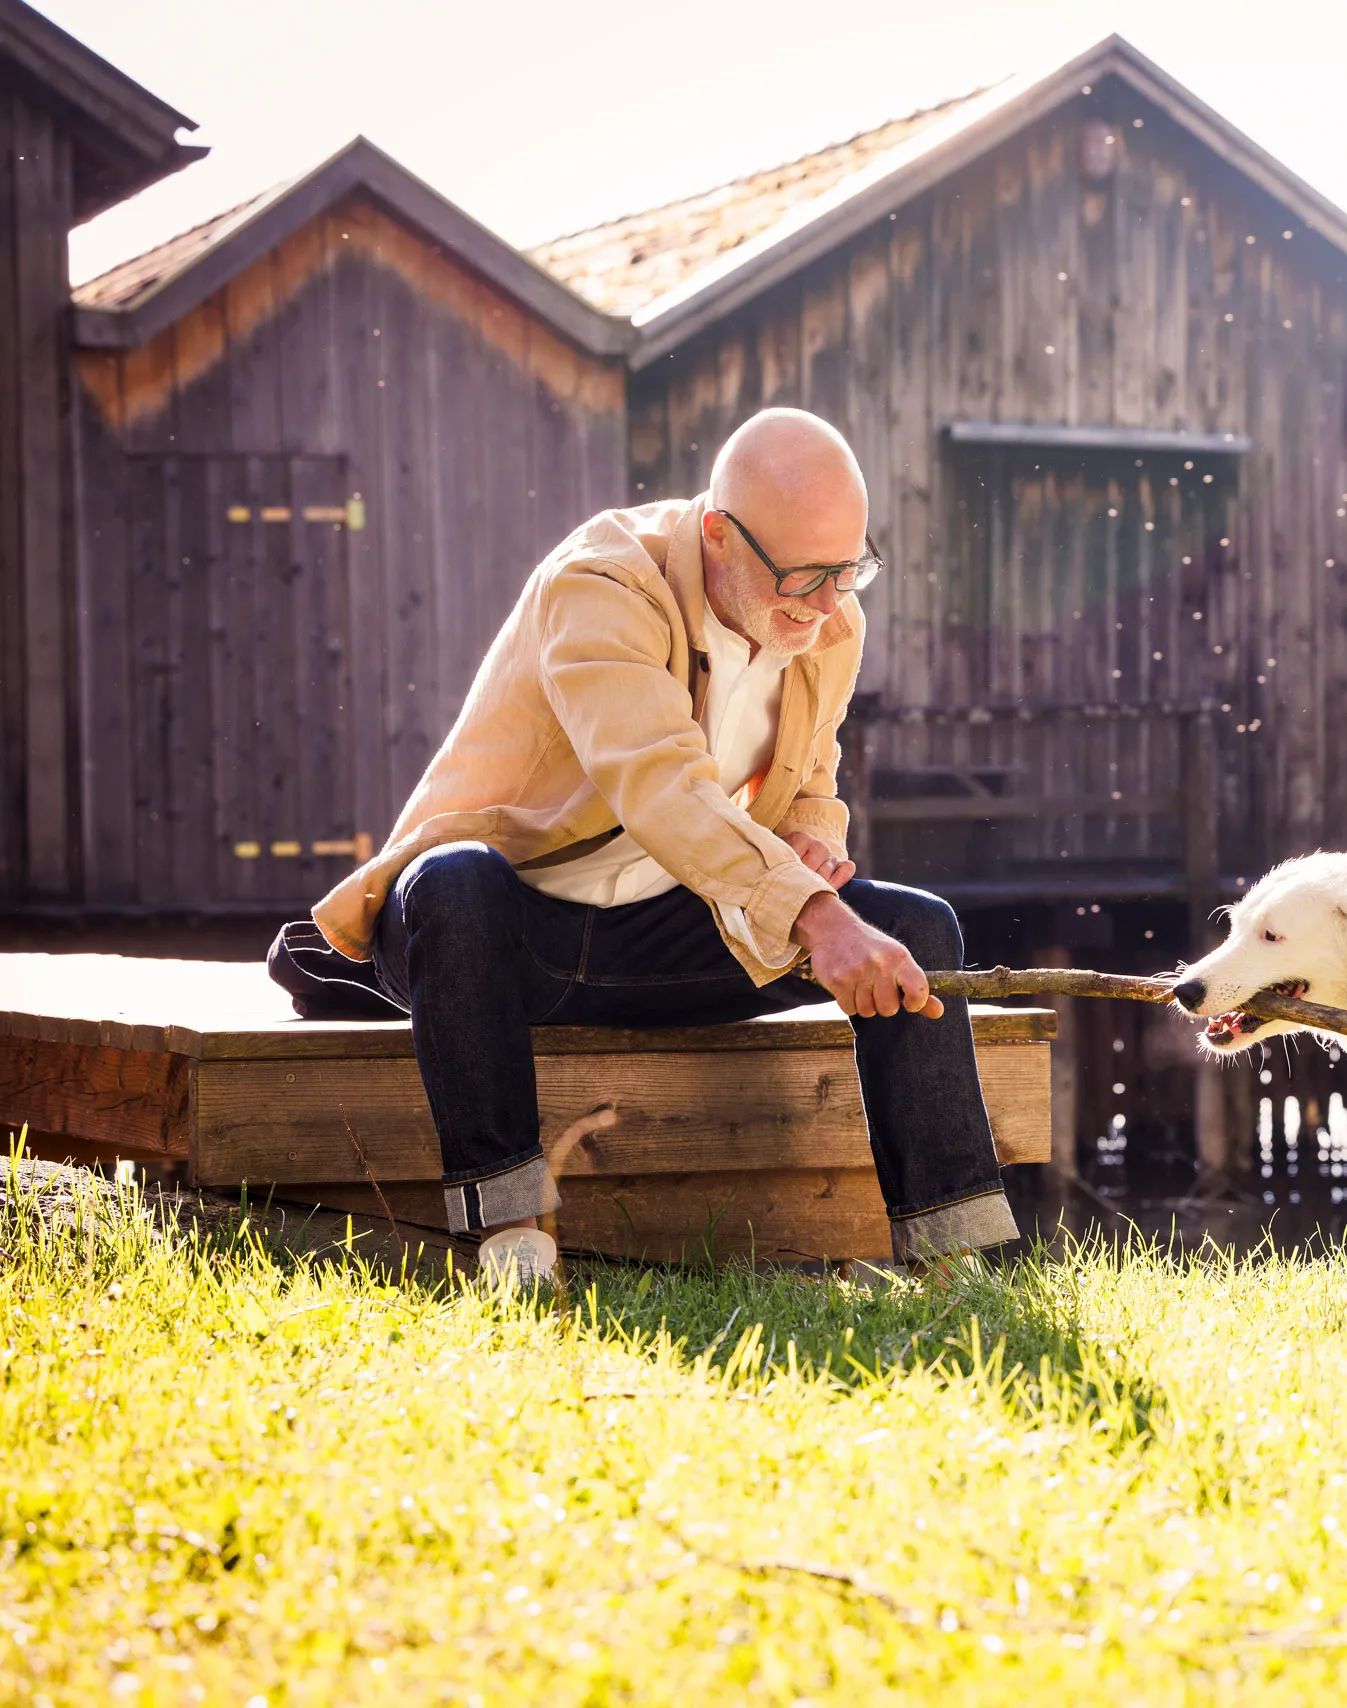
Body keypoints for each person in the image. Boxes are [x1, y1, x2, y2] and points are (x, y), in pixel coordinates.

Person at [267, 409, 1017, 1283]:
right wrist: (813, 916)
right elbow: (664, 787)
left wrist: (811, 844)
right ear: (718, 536)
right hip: (513, 933)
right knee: (453, 886)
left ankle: (954, 1261)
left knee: (919, 928)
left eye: (850, 572)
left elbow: (814, 775)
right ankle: (512, 1237)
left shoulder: (830, 618)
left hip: (661, 932)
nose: (826, 607)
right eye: (806, 577)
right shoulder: (598, 585)